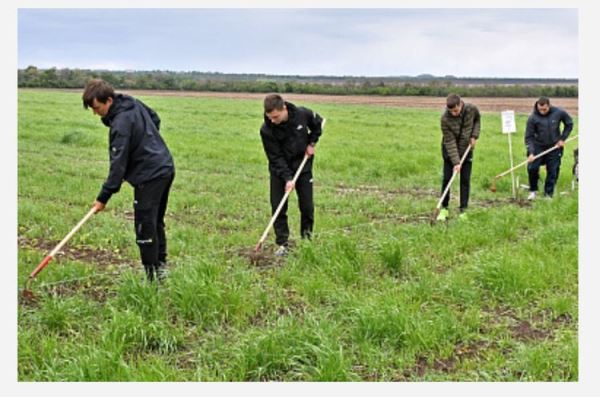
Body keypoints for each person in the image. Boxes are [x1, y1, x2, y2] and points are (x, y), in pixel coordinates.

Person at [82, 79, 175, 281]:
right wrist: (148, 144)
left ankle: (152, 278)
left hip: (150, 175)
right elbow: (155, 118)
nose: (95, 113)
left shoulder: (120, 124)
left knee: (145, 226)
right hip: (165, 166)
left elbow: (118, 164)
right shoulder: (131, 102)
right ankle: (160, 267)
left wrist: (103, 197)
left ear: (108, 100)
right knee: (155, 221)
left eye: (97, 107)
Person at [259, 94, 324, 256]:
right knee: (278, 206)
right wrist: (287, 178)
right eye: (269, 117)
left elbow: (318, 124)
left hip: (303, 166)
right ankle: (283, 244)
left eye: (275, 116)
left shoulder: (302, 114)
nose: (272, 120)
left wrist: (312, 143)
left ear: (284, 109)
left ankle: (307, 239)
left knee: (307, 206)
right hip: (279, 171)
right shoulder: (266, 130)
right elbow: (275, 158)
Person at [437, 93, 480, 221]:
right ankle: (444, 208)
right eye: (451, 111)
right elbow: (449, 141)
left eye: (455, 110)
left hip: (467, 150)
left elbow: (477, 119)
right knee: (447, 179)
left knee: (465, 180)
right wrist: (456, 162)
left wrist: (474, 135)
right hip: (450, 152)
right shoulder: (445, 119)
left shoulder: (471, 109)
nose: (453, 114)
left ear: (460, 104)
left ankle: (463, 210)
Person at [525, 96, 574, 200]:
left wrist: (562, 139)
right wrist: (531, 152)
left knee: (553, 170)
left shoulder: (559, 112)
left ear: (549, 105)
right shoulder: (533, 117)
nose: (542, 111)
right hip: (538, 146)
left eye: (545, 109)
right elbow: (529, 137)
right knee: (532, 168)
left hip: (555, 146)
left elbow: (569, 124)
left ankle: (548, 194)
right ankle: (533, 191)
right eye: (540, 109)